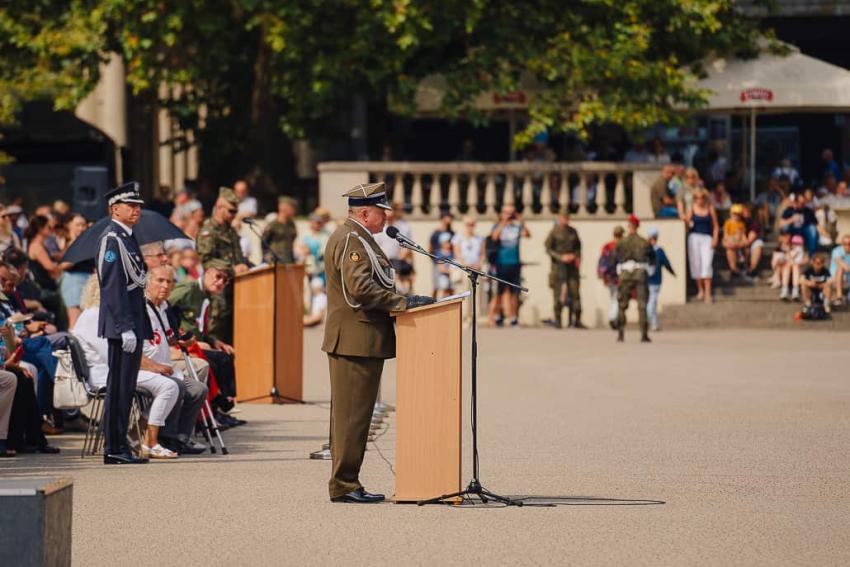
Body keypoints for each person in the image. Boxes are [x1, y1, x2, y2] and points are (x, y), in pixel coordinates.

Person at [322, 182, 433, 504]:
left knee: (353, 416)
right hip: (355, 340)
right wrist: (402, 303)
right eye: (382, 211)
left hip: (360, 339)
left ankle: (345, 481)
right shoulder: (351, 240)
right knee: (352, 417)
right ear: (365, 212)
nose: (386, 217)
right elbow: (360, 290)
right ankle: (344, 484)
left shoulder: (357, 238)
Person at [96, 181, 153, 465]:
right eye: (131, 205)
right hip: (121, 327)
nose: (136, 210)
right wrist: (124, 326)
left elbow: (136, 285)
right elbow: (111, 287)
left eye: (138, 206)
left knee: (126, 387)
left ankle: (120, 445)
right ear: (114, 209)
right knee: (118, 387)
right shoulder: (112, 239)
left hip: (132, 322)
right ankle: (114, 447)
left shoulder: (128, 238)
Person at [143, 264, 209, 455]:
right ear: (148, 282)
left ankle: (181, 436)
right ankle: (165, 437)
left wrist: (183, 341)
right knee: (175, 386)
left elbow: (169, 336)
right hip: (146, 368)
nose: (164, 286)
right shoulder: (140, 307)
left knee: (198, 389)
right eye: (160, 280)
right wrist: (155, 366)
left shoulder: (163, 307)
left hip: (166, 365)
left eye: (169, 282)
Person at [197, 187, 249, 344]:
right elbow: (206, 260)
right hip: (218, 289)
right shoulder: (208, 231)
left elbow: (239, 257)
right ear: (219, 208)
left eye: (236, 212)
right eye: (231, 211)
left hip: (237, 288)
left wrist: (249, 266)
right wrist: (232, 269)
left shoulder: (231, 231)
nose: (234, 215)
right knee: (217, 333)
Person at [614, 215, 655, 343]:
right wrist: (650, 270)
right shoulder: (644, 242)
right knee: (642, 305)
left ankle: (620, 334)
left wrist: (618, 270)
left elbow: (613, 257)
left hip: (625, 274)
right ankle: (644, 334)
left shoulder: (621, 242)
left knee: (622, 305)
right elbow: (653, 258)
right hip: (640, 273)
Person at [488, 204, 529, 327]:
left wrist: (521, 221)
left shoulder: (516, 227)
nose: (509, 215)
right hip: (501, 263)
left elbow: (527, 234)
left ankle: (514, 318)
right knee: (499, 292)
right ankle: (498, 315)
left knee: (514, 292)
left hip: (515, 264)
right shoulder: (498, 226)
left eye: (511, 213)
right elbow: (494, 237)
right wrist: (503, 222)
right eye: (506, 212)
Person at [544, 208, 582, 328]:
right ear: (559, 218)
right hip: (558, 266)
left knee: (575, 292)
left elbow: (578, 248)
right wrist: (560, 257)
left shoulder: (573, 232)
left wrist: (574, 256)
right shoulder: (554, 232)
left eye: (567, 218)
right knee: (558, 293)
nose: (565, 220)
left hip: (571, 267)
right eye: (563, 218)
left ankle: (576, 320)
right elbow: (548, 248)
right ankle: (558, 319)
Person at [58, 213, 93, 328]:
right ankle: (72, 345)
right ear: (69, 226)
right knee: (75, 320)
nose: (82, 228)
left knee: (85, 321)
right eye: (78, 225)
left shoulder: (85, 242)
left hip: (87, 281)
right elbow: (63, 265)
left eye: (83, 225)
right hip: (74, 281)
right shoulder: (71, 242)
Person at [685, 189, 719, 303]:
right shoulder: (691, 209)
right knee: (696, 263)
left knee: (707, 263)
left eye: (702, 198)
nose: (700, 200)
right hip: (694, 238)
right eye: (697, 198)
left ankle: (708, 292)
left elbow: (715, 226)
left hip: (707, 238)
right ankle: (700, 289)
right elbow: (686, 223)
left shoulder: (710, 209)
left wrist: (715, 239)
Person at [375, 203, 415, 295]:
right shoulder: (379, 228)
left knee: (404, 290)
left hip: (400, 263)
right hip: (384, 263)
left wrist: (411, 268)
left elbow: (407, 248)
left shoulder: (403, 227)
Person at [451, 216, 485, 322]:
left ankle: (474, 317)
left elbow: (482, 254)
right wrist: (466, 265)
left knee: (476, 293)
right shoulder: (458, 238)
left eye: (472, 224)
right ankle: (464, 317)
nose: (470, 227)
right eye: (468, 224)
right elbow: (457, 253)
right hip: (464, 269)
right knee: (464, 292)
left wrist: (478, 264)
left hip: (476, 269)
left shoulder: (479, 238)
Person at [646, 227, 675, 332]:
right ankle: (653, 324)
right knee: (651, 304)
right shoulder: (657, 251)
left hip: (652, 281)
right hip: (652, 281)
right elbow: (666, 263)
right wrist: (672, 272)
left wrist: (672, 272)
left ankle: (654, 324)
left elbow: (666, 263)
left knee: (651, 303)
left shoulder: (650, 250)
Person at [598, 226, 624, 329]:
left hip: (609, 276)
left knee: (614, 297)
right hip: (618, 276)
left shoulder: (607, 246)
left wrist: (602, 275)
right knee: (616, 298)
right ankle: (613, 318)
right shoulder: (622, 246)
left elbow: (602, 261)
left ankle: (614, 318)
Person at [262, 196, 298, 264]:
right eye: (292, 208)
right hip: (275, 261)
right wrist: (267, 259)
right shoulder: (273, 225)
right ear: (283, 208)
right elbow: (264, 243)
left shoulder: (291, 224)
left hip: (289, 259)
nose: (294, 211)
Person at [429, 212, 455, 296]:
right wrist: (436, 262)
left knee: (450, 288)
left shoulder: (452, 233)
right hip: (438, 263)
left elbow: (454, 247)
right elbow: (430, 248)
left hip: (449, 264)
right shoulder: (436, 233)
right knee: (436, 287)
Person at [722, 204, 748, 278]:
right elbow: (726, 234)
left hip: (739, 241)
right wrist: (730, 241)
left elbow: (743, 234)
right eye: (735, 214)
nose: (736, 216)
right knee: (730, 250)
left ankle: (744, 266)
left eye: (738, 214)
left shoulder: (741, 224)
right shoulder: (728, 223)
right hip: (731, 241)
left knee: (746, 248)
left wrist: (743, 241)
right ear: (731, 214)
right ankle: (733, 268)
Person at [780, 235, 807, 301]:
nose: (794, 245)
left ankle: (791, 291)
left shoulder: (798, 249)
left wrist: (787, 251)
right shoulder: (797, 249)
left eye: (796, 243)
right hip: (791, 267)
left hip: (797, 267)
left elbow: (791, 257)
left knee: (794, 267)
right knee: (788, 267)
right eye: (793, 243)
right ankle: (786, 290)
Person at [830, 235, 850, 303]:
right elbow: (845, 267)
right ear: (842, 244)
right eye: (845, 244)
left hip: (848, 278)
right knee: (841, 268)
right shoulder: (836, 251)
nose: (847, 246)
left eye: (849, 244)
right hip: (835, 278)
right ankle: (839, 296)